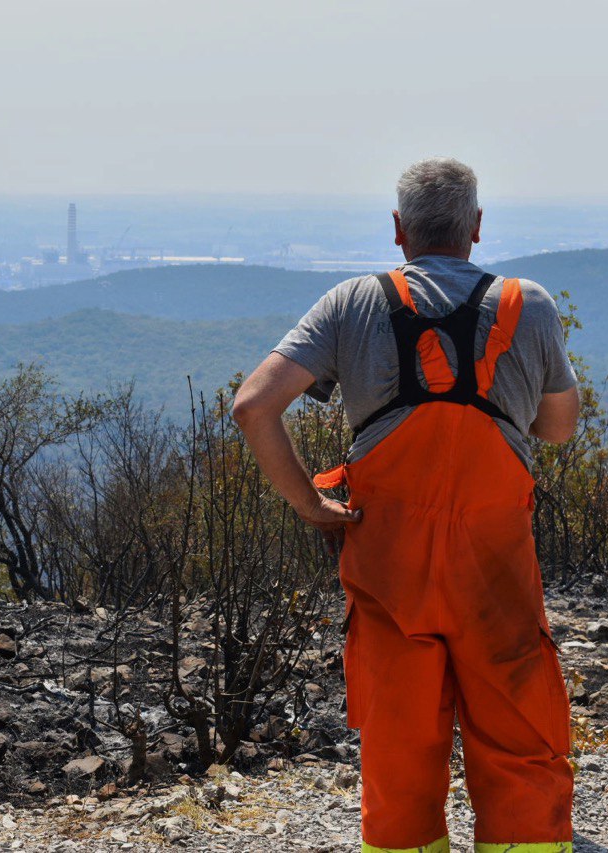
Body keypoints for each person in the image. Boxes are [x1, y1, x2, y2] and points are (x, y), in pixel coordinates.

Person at [232, 157, 580, 852]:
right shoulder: (528, 305)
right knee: (521, 741)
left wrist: (310, 503)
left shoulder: (351, 303)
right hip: (495, 570)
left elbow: (252, 406)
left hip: (390, 568)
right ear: (476, 228)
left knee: (398, 747)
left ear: (399, 230)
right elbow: (560, 428)